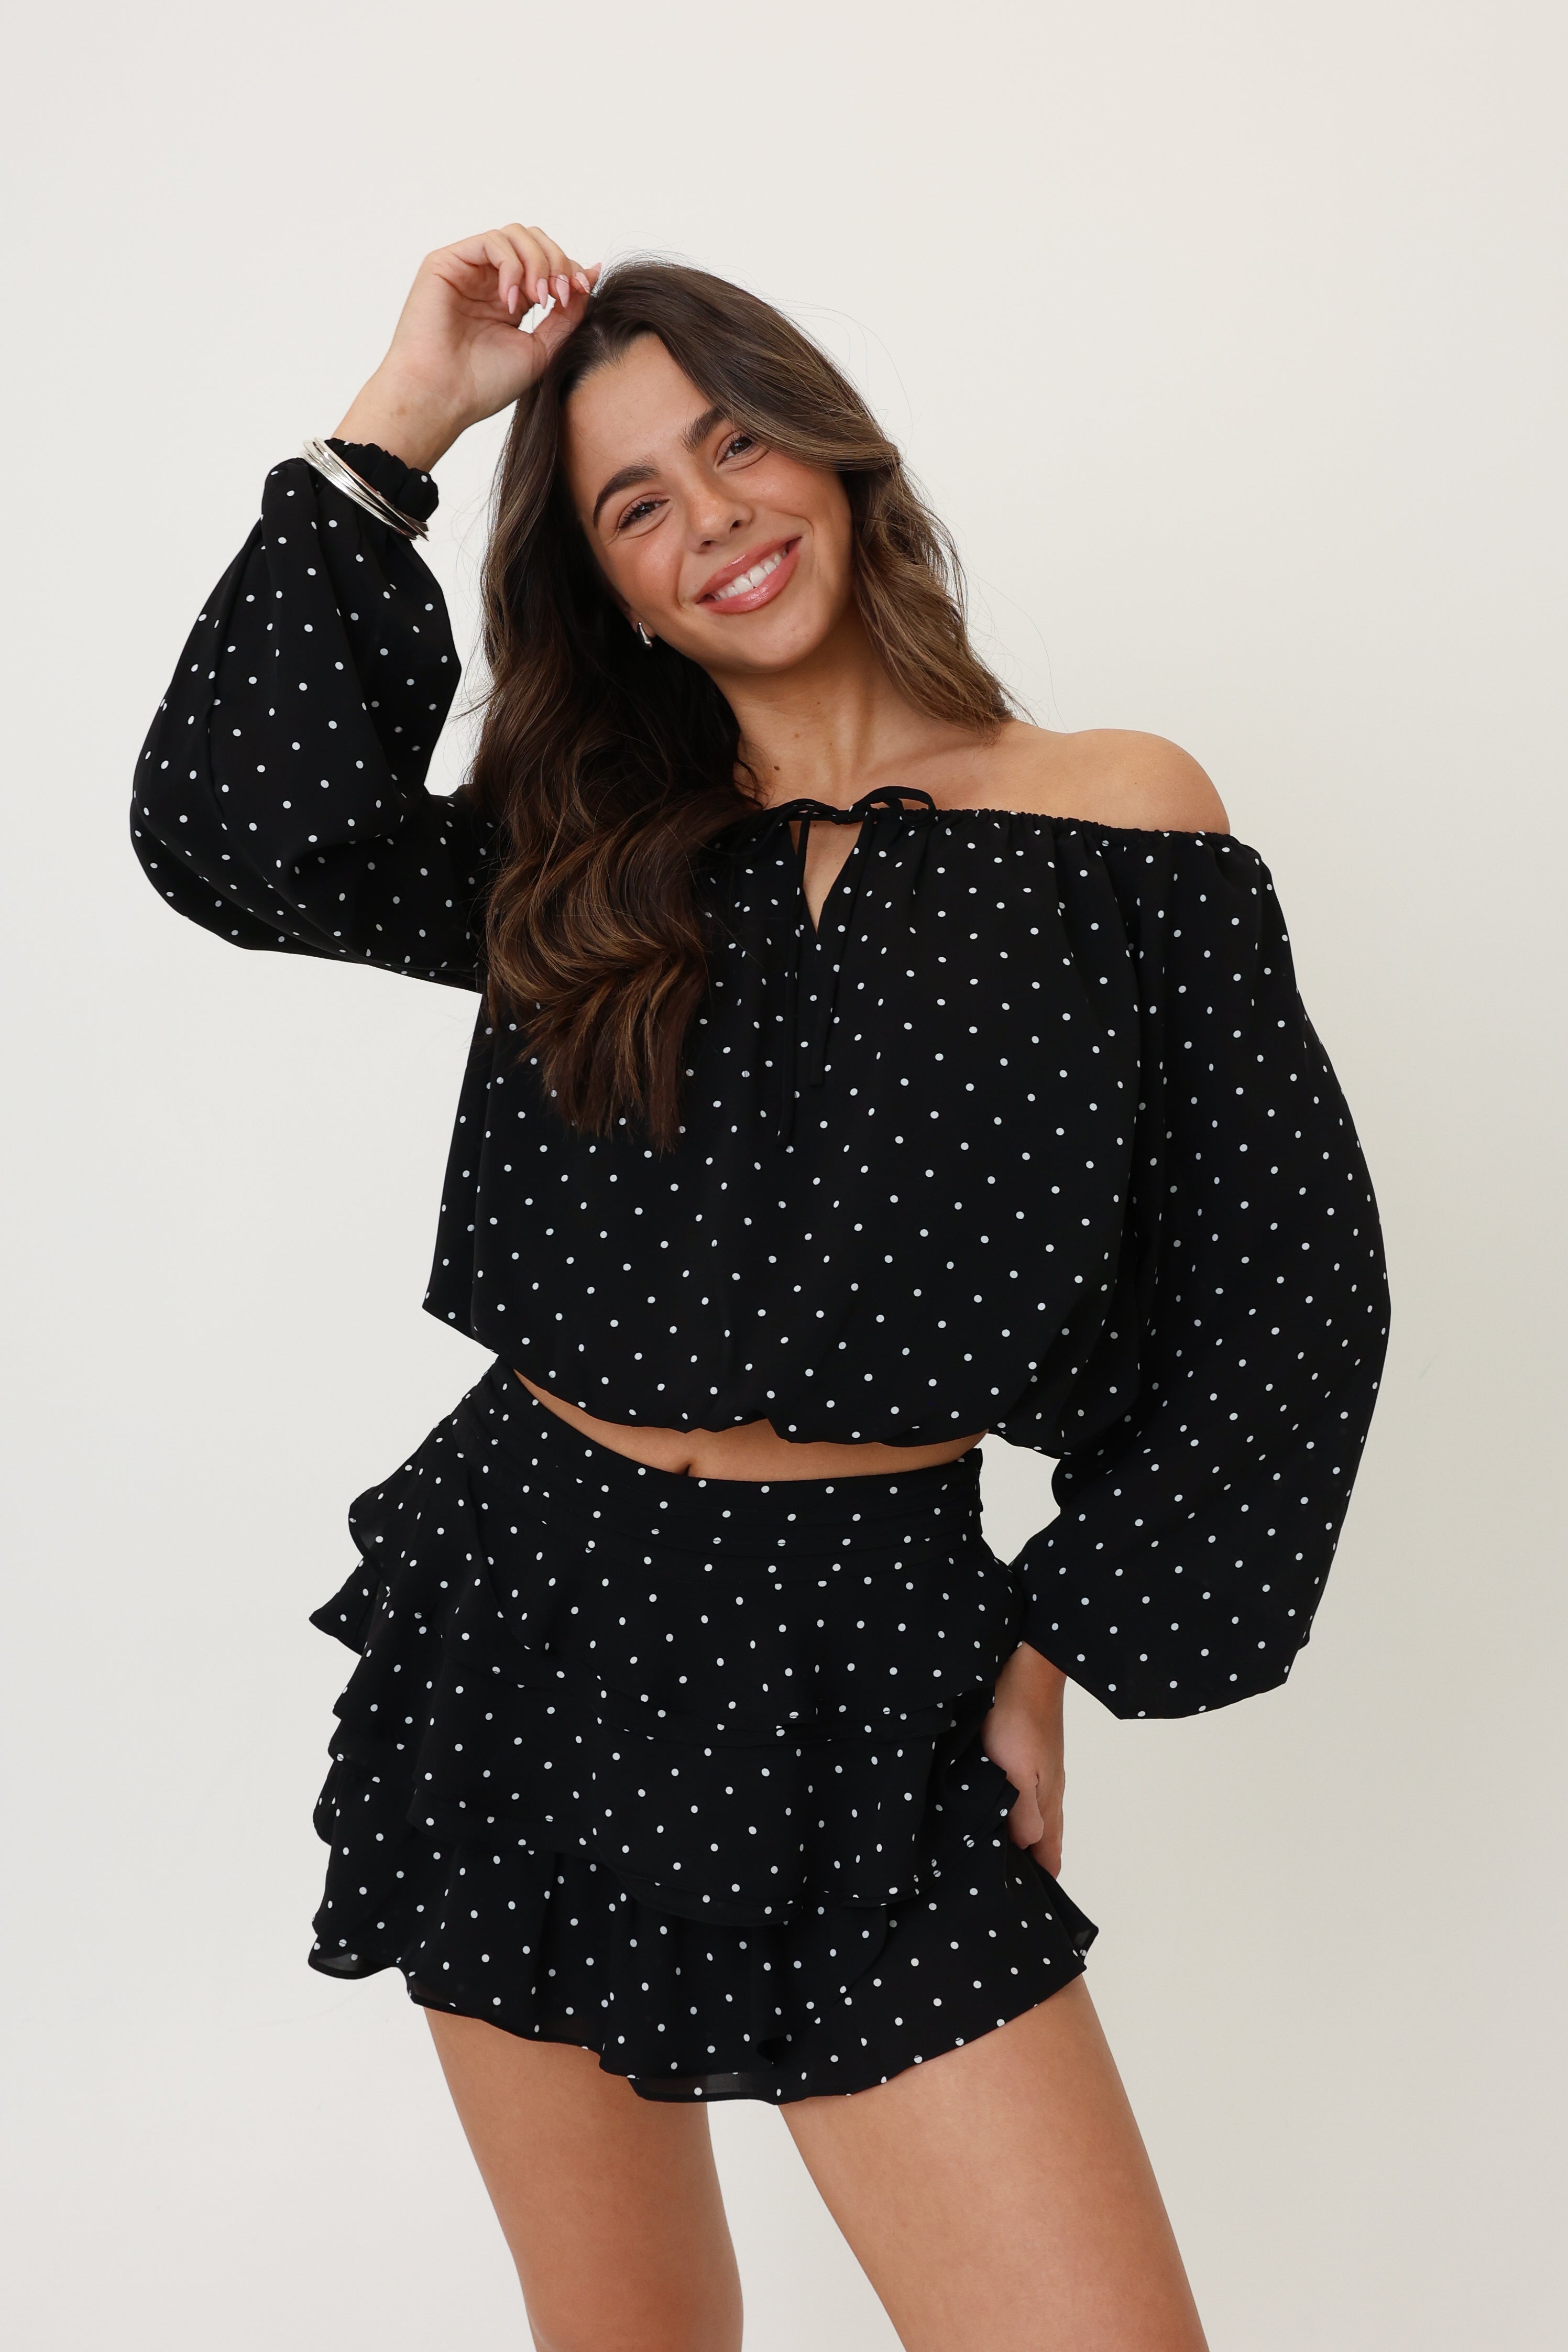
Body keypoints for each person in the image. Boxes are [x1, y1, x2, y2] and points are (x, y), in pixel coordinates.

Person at [131, 223, 1389, 2352]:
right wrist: (409, 413)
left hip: (866, 1644)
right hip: (523, 1600)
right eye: (635, 498)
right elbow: (243, 837)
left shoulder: (1114, 822)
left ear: (834, 456)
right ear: (608, 582)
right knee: (627, 2333)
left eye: (734, 448)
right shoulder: (583, 844)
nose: (708, 517)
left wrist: (1058, 1635)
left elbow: (1284, 1293)